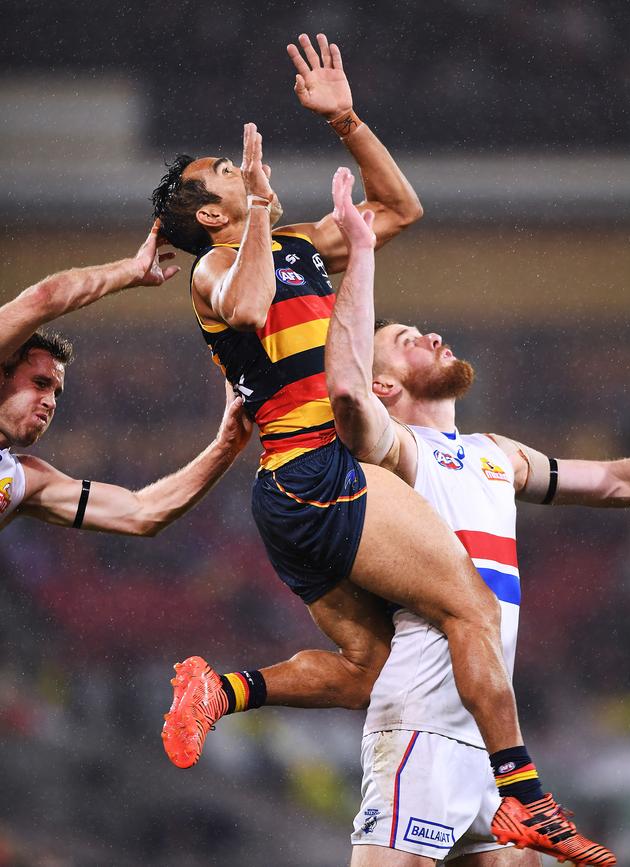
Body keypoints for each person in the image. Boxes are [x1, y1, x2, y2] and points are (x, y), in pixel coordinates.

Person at [153, 35, 603, 863]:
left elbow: (399, 209)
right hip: (314, 468)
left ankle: (223, 687)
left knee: (370, 667)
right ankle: (526, 796)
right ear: (208, 212)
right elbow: (250, 307)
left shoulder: (289, 243)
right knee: (470, 604)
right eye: (224, 169)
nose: (241, 166)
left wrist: (347, 122)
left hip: (295, 488)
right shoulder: (214, 269)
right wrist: (257, 205)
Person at [0, 222, 251, 535]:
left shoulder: (24, 480)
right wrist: (130, 271)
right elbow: (43, 299)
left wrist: (224, 447)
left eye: (56, 392)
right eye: (40, 383)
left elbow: (142, 513)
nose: (50, 402)